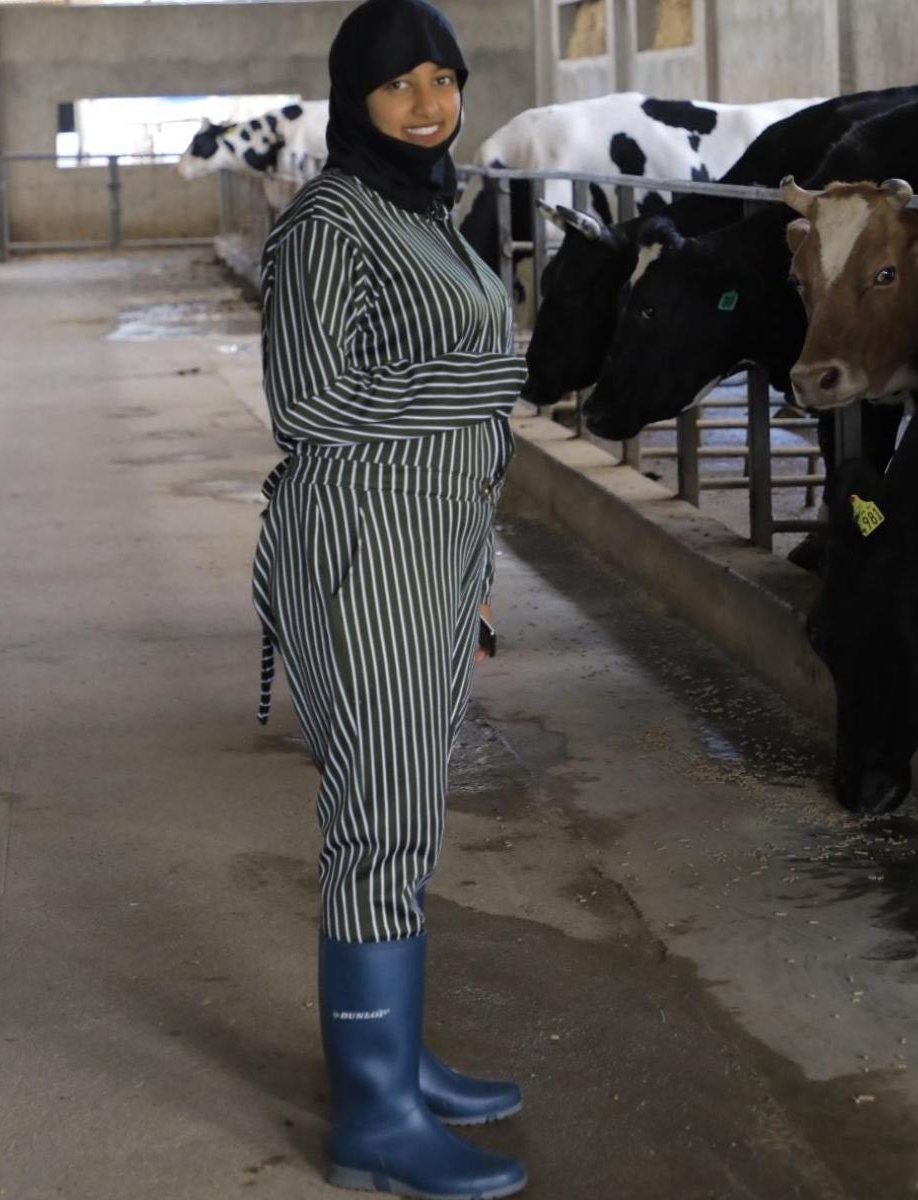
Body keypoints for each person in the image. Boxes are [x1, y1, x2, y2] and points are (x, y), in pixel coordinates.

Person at [250, 1, 527, 1194]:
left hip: (427, 549)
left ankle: (398, 1060)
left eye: (444, 78)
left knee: (404, 808)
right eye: (401, 83)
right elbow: (310, 402)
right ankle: (372, 1118)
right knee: (379, 820)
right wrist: (503, 372)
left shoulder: (423, 207)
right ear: (351, 94)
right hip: (366, 551)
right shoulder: (330, 221)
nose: (428, 103)